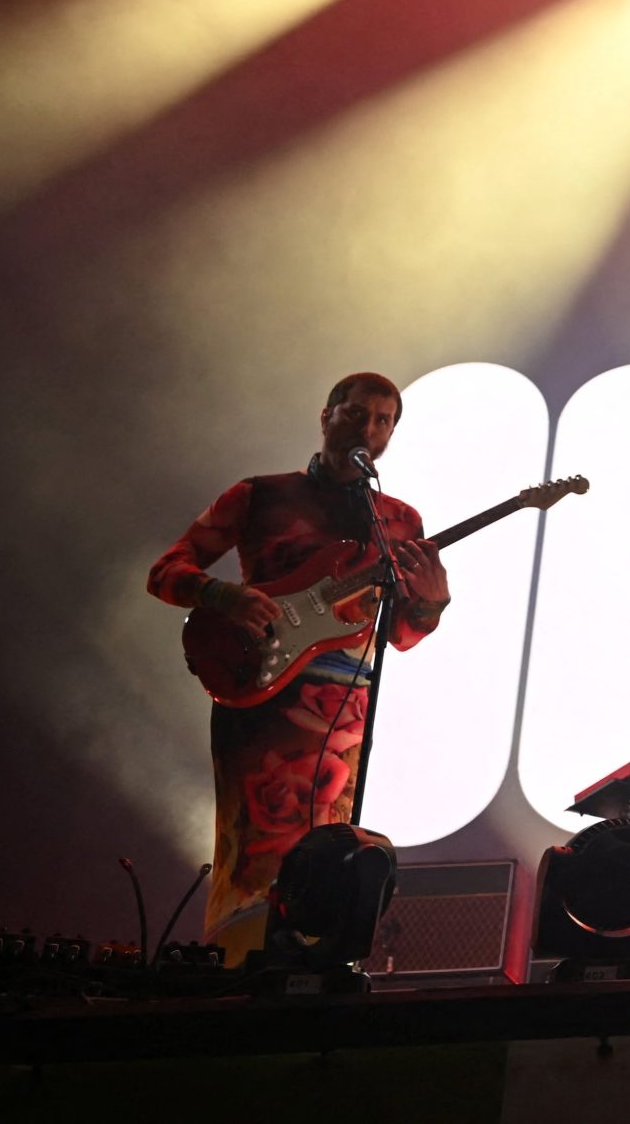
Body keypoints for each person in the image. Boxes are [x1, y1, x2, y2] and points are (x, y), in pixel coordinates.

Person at [147, 372, 450, 957]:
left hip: (345, 707)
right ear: (326, 415)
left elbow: (403, 635)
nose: (370, 428)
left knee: (327, 846)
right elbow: (166, 571)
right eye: (357, 414)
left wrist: (431, 603)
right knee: (254, 844)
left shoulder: (399, 522)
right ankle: (232, 971)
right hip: (259, 692)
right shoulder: (259, 495)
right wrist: (224, 595)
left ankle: (306, 968)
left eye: (384, 420)